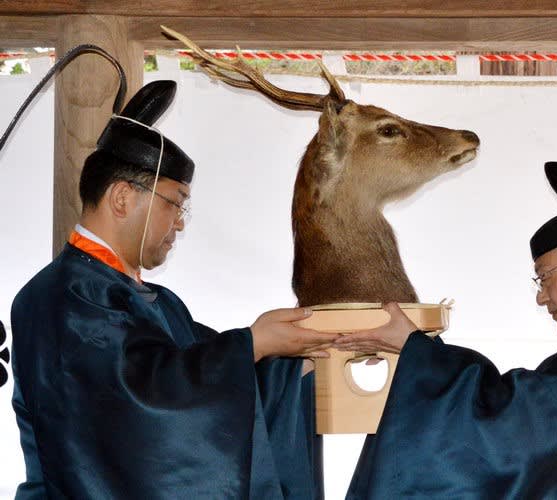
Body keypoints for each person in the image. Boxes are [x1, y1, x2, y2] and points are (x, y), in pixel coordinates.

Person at [9, 79, 336, 499]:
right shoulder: (62, 297)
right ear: (123, 197)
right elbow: (139, 398)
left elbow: (210, 372)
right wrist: (252, 343)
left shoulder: (158, 301)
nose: (180, 222)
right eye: (174, 202)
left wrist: (291, 364)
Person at [337, 159, 557, 498]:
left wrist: (420, 355)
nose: (541, 297)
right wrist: (423, 353)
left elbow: (523, 434)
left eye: (546, 277)